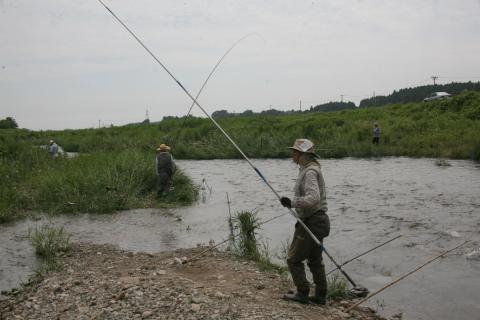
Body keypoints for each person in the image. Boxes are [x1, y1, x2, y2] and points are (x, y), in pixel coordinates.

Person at [280, 138, 330, 305]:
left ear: (302, 154)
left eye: (294, 151)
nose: (292, 154)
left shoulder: (309, 172)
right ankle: (321, 296)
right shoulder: (309, 169)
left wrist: (292, 203)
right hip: (319, 221)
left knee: (293, 259)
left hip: (312, 221)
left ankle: (302, 293)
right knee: (315, 260)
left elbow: (314, 198)